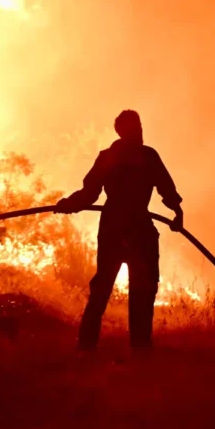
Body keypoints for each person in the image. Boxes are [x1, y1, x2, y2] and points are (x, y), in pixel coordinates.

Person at [54, 110, 183, 354]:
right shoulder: (136, 157)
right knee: (122, 290)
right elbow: (90, 192)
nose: (141, 131)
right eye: (136, 127)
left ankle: (111, 346)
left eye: (141, 126)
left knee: (125, 290)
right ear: (125, 131)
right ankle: (114, 346)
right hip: (132, 230)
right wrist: (69, 204)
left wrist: (178, 213)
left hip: (122, 228)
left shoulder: (126, 156)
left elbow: (90, 193)